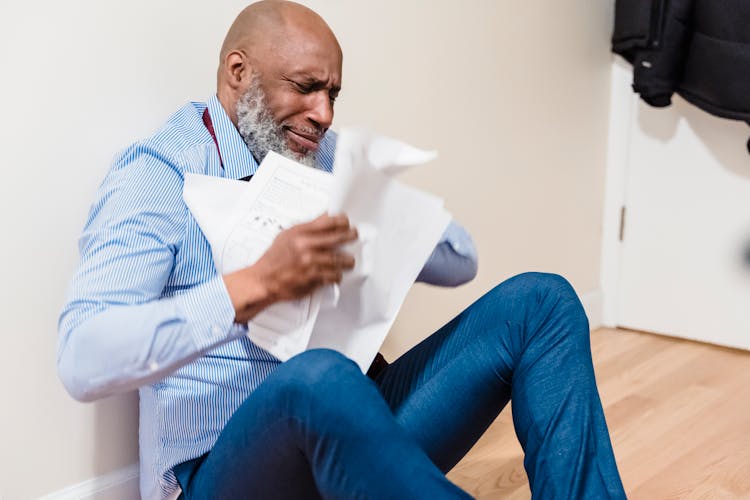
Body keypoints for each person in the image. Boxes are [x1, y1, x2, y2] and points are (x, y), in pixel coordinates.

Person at [58, 1, 627, 499]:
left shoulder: (322, 155)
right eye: (305, 88)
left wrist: (374, 206)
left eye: (331, 94)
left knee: (542, 302)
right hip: (220, 472)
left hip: (352, 426)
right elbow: (82, 359)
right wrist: (255, 287)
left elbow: (462, 261)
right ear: (239, 72)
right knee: (319, 378)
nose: (324, 114)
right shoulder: (158, 174)